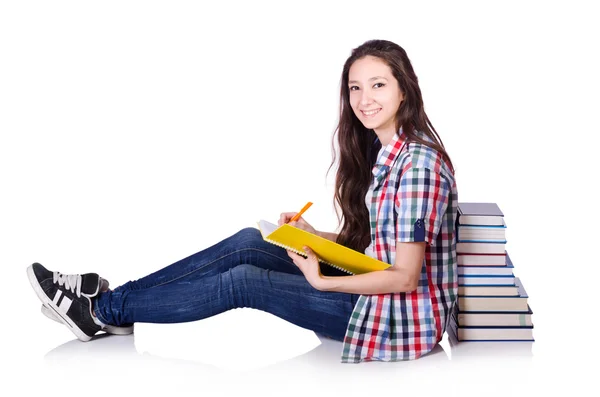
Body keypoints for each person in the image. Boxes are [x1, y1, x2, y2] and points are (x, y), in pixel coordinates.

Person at [27, 39, 458, 364]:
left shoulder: (417, 166)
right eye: (355, 88)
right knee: (251, 241)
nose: (365, 100)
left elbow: (403, 277)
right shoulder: (390, 154)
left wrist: (322, 281)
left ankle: (100, 310)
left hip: (396, 320)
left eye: (378, 85)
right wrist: (314, 237)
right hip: (376, 295)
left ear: (405, 89)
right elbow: (378, 248)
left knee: (244, 282)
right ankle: (113, 304)